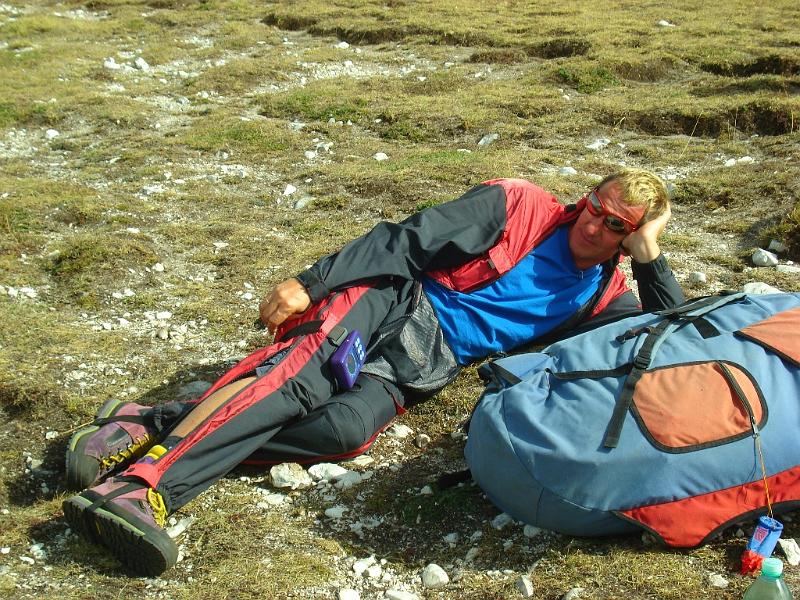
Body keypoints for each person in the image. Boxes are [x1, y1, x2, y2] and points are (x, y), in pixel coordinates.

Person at [62, 169, 685, 575]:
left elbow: (673, 335)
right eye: (595, 207)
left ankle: (152, 422)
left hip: (420, 365)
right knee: (298, 382)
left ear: (631, 237)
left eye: (617, 225)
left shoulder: (603, 297)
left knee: (341, 432)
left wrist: (651, 259)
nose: (594, 224)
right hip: (388, 301)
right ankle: (142, 488)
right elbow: (405, 240)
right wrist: (310, 284)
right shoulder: (517, 204)